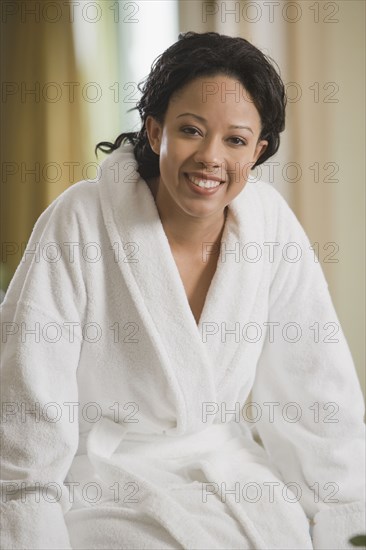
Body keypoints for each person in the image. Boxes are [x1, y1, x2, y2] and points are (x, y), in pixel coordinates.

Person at [1, 31, 365, 550]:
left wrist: (345, 515)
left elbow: (315, 388)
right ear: (154, 132)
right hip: (106, 483)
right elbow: (28, 393)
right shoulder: (79, 219)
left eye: (235, 140)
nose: (211, 158)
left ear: (258, 151)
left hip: (230, 474)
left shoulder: (270, 227)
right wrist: (25, 515)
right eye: (191, 130)